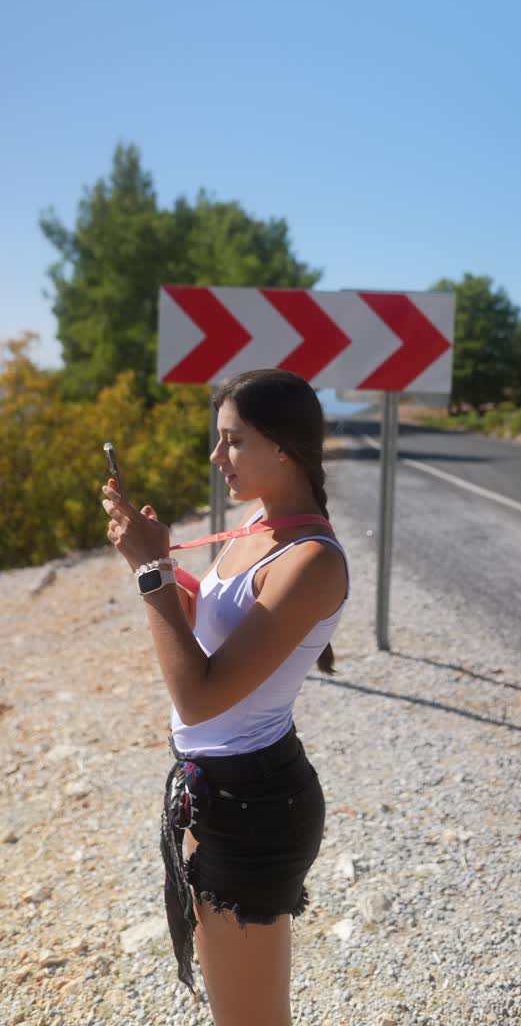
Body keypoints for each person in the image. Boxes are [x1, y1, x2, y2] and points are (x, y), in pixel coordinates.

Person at [101, 368, 350, 1026]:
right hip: (218, 790)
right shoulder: (258, 522)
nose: (217, 456)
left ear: (283, 446)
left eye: (233, 440)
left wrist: (152, 573)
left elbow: (199, 696)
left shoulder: (311, 561)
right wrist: (149, 559)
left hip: (255, 806)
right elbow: (208, 623)